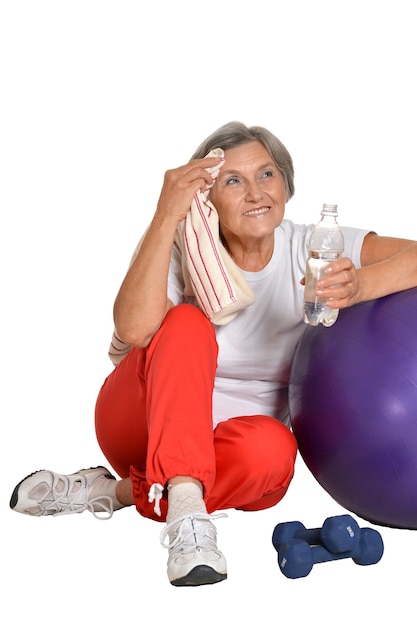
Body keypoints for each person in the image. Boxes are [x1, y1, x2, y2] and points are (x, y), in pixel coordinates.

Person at [10, 121, 417, 587]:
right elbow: (134, 329)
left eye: (266, 174)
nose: (254, 193)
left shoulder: (314, 246)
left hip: (228, 454)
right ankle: (181, 500)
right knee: (184, 322)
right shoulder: (187, 247)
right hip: (139, 422)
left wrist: (362, 283)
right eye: (232, 181)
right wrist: (166, 216)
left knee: (275, 452)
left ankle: (117, 492)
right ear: (206, 198)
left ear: (285, 183)